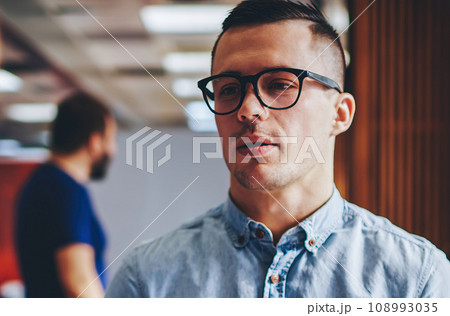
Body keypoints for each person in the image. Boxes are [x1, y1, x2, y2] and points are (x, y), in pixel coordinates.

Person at [106, 0, 450, 297]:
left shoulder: (415, 278)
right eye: (228, 89)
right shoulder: (148, 280)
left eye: (280, 84)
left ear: (339, 113)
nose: (247, 109)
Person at [16, 91, 117, 298]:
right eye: (111, 139)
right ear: (95, 142)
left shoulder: (42, 182)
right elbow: (78, 281)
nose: (113, 149)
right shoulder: (64, 189)